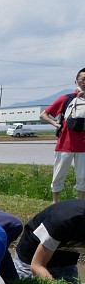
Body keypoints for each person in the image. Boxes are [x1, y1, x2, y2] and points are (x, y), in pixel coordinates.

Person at [40, 69, 85, 203]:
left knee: (83, 176)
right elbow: (44, 114)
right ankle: (55, 202)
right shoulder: (66, 99)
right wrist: (56, 124)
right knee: (58, 174)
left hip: (83, 145)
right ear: (76, 81)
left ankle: (80, 203)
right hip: (65, 144)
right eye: (83, 79)